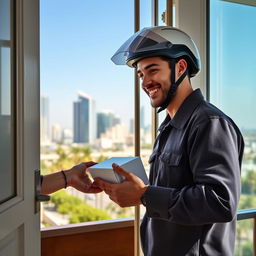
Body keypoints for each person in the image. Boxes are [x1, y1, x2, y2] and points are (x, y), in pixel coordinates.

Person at [94, 26, 244, 256]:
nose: (145, 82)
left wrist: (144, 195)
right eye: (141, 75)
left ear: (181, 67)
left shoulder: (209, 123)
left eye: (152, 70)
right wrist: (135, 190)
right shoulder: (168, 127)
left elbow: (220, 202)